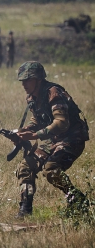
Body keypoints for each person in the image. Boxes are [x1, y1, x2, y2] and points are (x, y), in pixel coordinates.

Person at [13, 62, 89, 218]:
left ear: (38, 79)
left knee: (51, 169)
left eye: (28, 80)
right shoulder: (32, 97)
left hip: (72, 138)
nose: (24, 84)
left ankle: (79, 201)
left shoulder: (54, 93)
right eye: (22, 81)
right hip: (54, 139)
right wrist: (26, 131)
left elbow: (62, 122)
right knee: (25, 167)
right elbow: (38, 119)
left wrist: (35, 135)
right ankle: (25, 210)